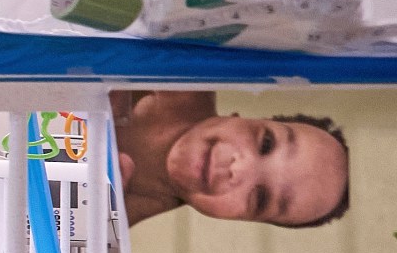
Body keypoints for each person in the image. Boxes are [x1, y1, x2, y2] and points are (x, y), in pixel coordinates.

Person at [110, 90, 348, 228]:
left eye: (261, 198)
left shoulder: (104, 221)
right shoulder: (179, 64)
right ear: (244, 118)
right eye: (266, 144)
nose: (240, 169)